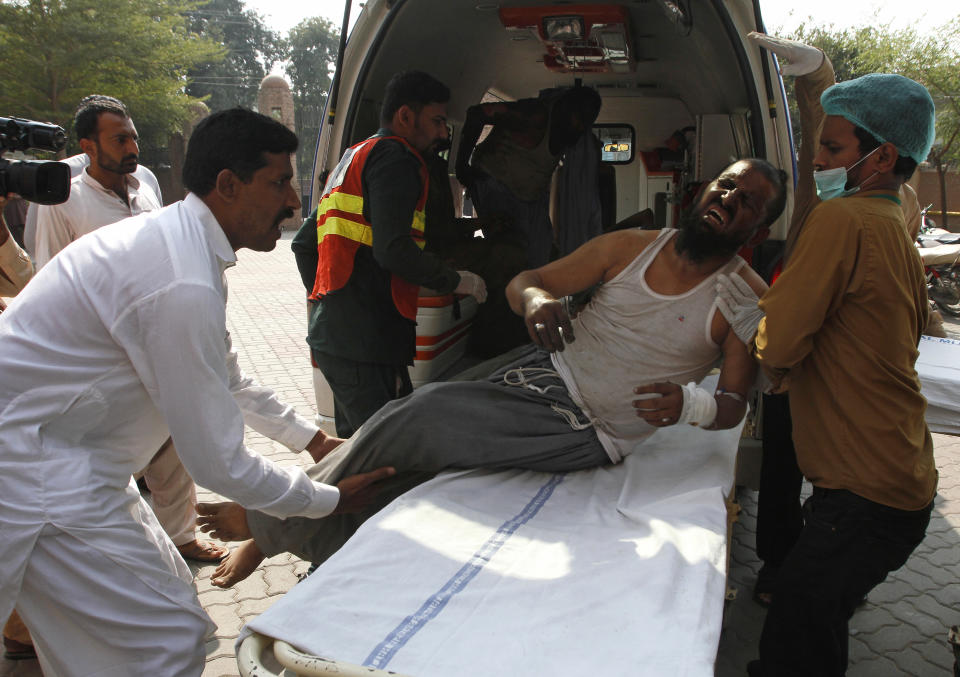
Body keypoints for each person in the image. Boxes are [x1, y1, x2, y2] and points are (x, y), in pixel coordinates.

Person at [195, 157, 790, 587]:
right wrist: (534, 301)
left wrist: (692, 407)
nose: (730, 200)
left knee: (416, 414)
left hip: (581, 425)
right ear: (704, 188)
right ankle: (301, 541)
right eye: (727, 185)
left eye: (747, 203)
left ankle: (267, 525)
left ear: (756, 230)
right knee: (411, 463)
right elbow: (526, 282)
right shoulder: (631, 247)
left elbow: (736, 406)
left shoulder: (741, 300)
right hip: (536, 371)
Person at [0, 108, 397, 676]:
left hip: (72, 466)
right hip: (34, 473)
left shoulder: (183, 249)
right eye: (278, 182)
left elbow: (228, 376)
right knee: (162, 642)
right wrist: (329, 500)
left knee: (145, 637)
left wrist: (312, 440)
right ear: (229, 185)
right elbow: (218, 462)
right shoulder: (180, 278)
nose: (292, 203)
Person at [717, 70, 937, 676]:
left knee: (796, 634)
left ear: (883, 155)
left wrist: (756, 328)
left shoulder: (844, 221)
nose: (816, 160)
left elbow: (781, 341)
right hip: (900, 472)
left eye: (832, 149)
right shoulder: (894, 225)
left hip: (865, 496)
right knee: (814, 617)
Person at [30, 94, 227, 564]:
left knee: (175, 433)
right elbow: (48, 273)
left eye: (133, 135)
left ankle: (180, 535)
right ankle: (108, 556)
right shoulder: (64, 198)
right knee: (104, 458)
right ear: (88, 145)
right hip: (98, 349)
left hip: (154, 334)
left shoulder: (148, 184)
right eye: (119, 138)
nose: (131, 145)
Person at [293, 71, 487, 440]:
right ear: (405, 117)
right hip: (367, 343)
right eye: (437, 121)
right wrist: (457, 280)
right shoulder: (398, 160)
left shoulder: (355, 156)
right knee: (385, 454)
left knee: (364, 450)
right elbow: (393, 249)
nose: (444, 134)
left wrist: (331, 307)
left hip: (346, 341)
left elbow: (304, 244)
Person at [455, 86, 602, 269]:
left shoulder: (572, 134)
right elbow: (477, 113)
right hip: (497, 186)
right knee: (511, 256)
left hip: (530, 199)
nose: (581, 127)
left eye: (587, 122)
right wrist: (461, 165)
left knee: (545, 254)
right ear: (565, 109)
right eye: (580, 119)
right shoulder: (535, 115)